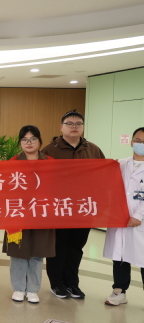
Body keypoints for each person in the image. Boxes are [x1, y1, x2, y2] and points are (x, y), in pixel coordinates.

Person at [41, 110, 105, 299]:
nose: (74, 127)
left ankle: (72, 283)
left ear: (83, 127)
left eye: (78, 123)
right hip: (58, 207)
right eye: (69, 123)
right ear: (61, 127)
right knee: (58, 246)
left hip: (84, 207)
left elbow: (103, 176)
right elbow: (41, 179)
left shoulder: (93, 150)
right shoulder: (50, 150)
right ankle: (57, 283)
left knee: (76, 247)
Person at [2, 126, 55, 304]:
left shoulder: (51, 162)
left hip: (42, 213)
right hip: (18, 214)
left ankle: (32, 289)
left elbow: (57, 188)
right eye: (24, 139)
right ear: (20, 142)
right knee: (18, 252)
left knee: (37, 253)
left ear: (40, 141)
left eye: (33, 139)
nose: (29, 143)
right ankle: (18, 288)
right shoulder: (13, 162)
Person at [102, 126, 144, 306]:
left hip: (140, 221)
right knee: (120, 255)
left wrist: (139, 215)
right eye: (138, 141)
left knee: (142, 257)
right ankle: (119, 291)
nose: (140, 144)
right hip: (119, 218)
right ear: (131, 142)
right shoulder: (120, 164)